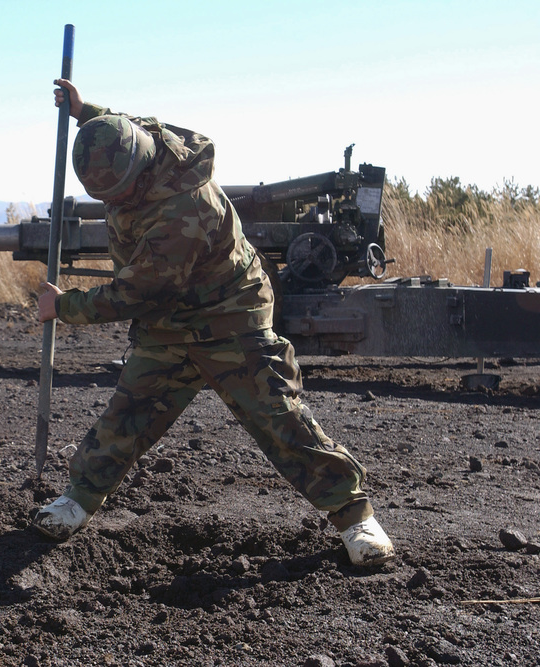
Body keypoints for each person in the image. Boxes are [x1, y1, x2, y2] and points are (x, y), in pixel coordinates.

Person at [32, 79, 396, 567]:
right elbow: (122, 128)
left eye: (121, 195)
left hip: (229, 316)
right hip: (169, 323)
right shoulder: (145, 141)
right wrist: (85, 112)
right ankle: (77, 498)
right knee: (128, 414)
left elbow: (137, 291)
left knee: (278, 417)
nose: (116, 206)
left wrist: (66, 306)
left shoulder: (184, 208)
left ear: (140, 174)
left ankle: (356, 519)